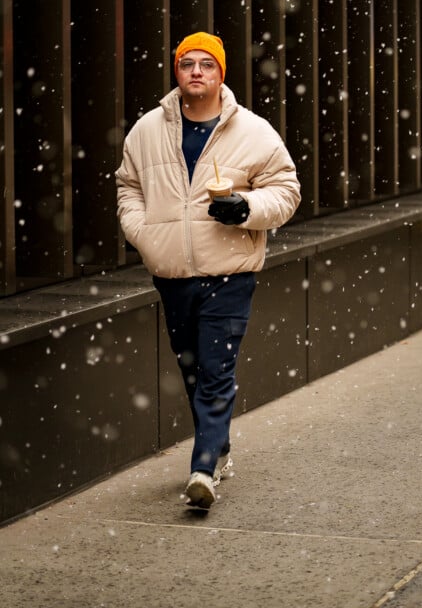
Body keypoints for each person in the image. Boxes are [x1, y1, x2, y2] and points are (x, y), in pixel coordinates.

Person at [115, 31, 301, 509]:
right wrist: (143, 232)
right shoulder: (147, 130)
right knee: (193, 368)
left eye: (207, 65)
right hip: (172, 273)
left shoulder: (253, 131)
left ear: (221, 74)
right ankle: (218, 449)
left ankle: (201, 470)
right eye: (187, 64)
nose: (196, 72)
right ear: (176, 72)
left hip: (230, 273)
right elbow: (128, 188)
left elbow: (286, 190)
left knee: (216, 369)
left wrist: (246, 207)